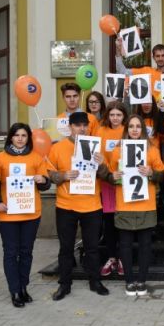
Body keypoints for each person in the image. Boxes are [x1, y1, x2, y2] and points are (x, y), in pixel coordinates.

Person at [47, 112, 112, 300]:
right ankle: (64, 285)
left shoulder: (95, 147)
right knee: (66, 248)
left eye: (84, 125)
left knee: (92, 248)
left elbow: (106, 176)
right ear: (70, 127)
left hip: (91, 205)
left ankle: (95, 281)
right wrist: (63, 176)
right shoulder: (58, 148)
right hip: (66, 205)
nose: (82, 128)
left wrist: (100, 164)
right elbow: (50, 174)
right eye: (77, 125)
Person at [0, 123, 51, 307]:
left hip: (30, 213)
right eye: (16, 135)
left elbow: (45, 183)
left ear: (28, 138)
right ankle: (14, 290)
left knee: (26, 252)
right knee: (11, 253)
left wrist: (43, 180)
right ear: (10, 137)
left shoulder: (36, 158)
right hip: (8, 214)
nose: (20, 138)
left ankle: (24, 287)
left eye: (24, 135)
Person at [109, 115, 164, 296]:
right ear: (127, 129)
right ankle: (129, 280)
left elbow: (161, 174)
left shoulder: (152, 150)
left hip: (145, 204)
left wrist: (151, 172)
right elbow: (111, 174)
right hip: (124, 203)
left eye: (138, 126)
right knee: (124, 245)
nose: (134, 129)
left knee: (145, 245)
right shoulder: (118, 151)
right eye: (131, 126)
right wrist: (113, 176)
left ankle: (141, 280)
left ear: (142, 129)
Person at [96, 102, 128, 278]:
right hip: (107, 182)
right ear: (108, 115)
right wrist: (108, 173)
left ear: (124, 116)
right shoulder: (101, 131)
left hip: (124, 183)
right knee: (109, 222)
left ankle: (123, 258)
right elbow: (99, 156)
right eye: (112, 115)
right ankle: (111, 257)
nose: (115, 118)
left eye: (119, 115)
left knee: (122, 222)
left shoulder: (127, 131)